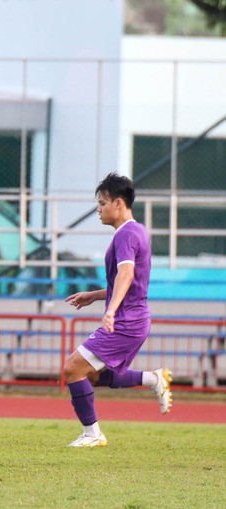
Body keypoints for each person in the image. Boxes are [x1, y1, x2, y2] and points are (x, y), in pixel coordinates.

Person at [64, 172, 172, 447]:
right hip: (133, 318)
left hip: (127, 320)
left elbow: (126, 274)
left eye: (102, 203)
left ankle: (92, 434)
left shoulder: (127, 234)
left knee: (73, 368)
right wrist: (96, 295)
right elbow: (129, 281)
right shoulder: (134, 232)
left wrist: (110, 309)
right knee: (90, 374)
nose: (99, 209)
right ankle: (153, 378)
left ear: (119, 204)